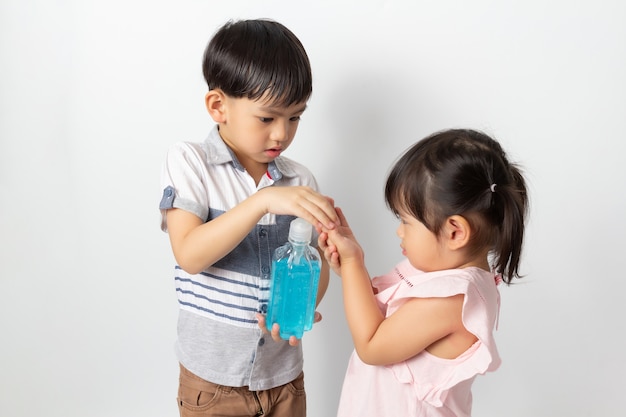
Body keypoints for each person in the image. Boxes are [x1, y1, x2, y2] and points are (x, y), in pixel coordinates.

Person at [159, 19, 338, 417]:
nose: (282, 134)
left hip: (284, 378)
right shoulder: (191, 162)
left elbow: (314, 263)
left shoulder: (298, 179)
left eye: (295, 118)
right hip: (212, 383)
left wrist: (305, 304)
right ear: (218, 106)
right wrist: (262, 203)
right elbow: (190, 254)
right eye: (267, 118)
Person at [319, 129, 529, 417]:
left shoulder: (455, 298)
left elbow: (372, 345)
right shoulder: (440, 277)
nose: (399, 231)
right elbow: (385, 321)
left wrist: (355, 263)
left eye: (406, 221)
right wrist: (351, 270)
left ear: (454, 231)